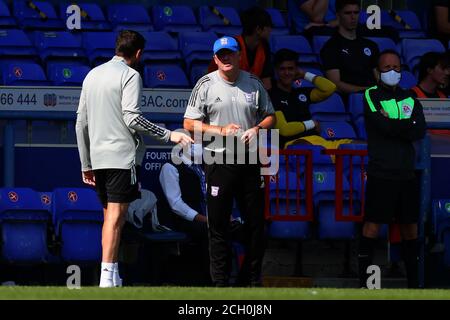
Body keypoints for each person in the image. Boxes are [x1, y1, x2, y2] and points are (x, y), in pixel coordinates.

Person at [75, 30, 193, 288]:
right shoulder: (131, 75)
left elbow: (80, 122)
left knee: (110, 219)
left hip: (98, 158)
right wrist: (168, 134)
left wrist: (86, 163)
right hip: (121, 158)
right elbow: (132, 117)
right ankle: (107, 277)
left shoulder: (91, 74)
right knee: (116, 218)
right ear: (138, 53)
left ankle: (113, 274)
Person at [183, 36, 276, 287]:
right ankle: (220, 284)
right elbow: (189, 124)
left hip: (249, 161)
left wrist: (257, 129)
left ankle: (251, 280)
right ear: (215, 59)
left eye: (230, 53)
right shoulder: (205, 85)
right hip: (218, 161)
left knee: (256, 226)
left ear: (238, 56)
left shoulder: (254, 83)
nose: (225, 58)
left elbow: (271, 117)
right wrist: (220, 130)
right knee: (218, 226)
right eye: (220, 54)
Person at [358, 49, 426, 289]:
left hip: (407, 173)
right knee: (372, 226)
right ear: (377, 72)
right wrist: (403, 125)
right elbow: (382, 126)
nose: (392, 72)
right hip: (381, 172)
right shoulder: (370, 95)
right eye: (387, 68)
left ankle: (415, 286)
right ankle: (366, 285)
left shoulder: (410, 97)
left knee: (410, 228)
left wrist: (393, 123)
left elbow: (419, 130)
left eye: (396, 68)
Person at [268, 48, 352, 149]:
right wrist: (312, 123)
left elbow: (330, 88)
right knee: (309, 148)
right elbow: (284, 130)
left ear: (296, 70)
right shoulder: (271, 96)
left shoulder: (301, 93)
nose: (287, 73)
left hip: (318, 142)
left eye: (291, 69)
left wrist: (305, 75)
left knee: (356, 144)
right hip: (294, 145)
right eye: (282, 69)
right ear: (276, 70)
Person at [320, 0, 379, 97]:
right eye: (347, 13)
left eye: (356, 12)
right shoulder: (330, 47)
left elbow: (379, 77)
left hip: (374, 97)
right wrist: (365, 91)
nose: (353, 17)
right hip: (351, 98)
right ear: (338, 15)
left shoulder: (371, 45)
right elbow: (335, 85)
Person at [207, 6, 273, 90]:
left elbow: (266, 83)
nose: (271, 30)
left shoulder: (264, 47)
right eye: (269, 27)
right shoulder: (231, 46)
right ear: (258, 29)